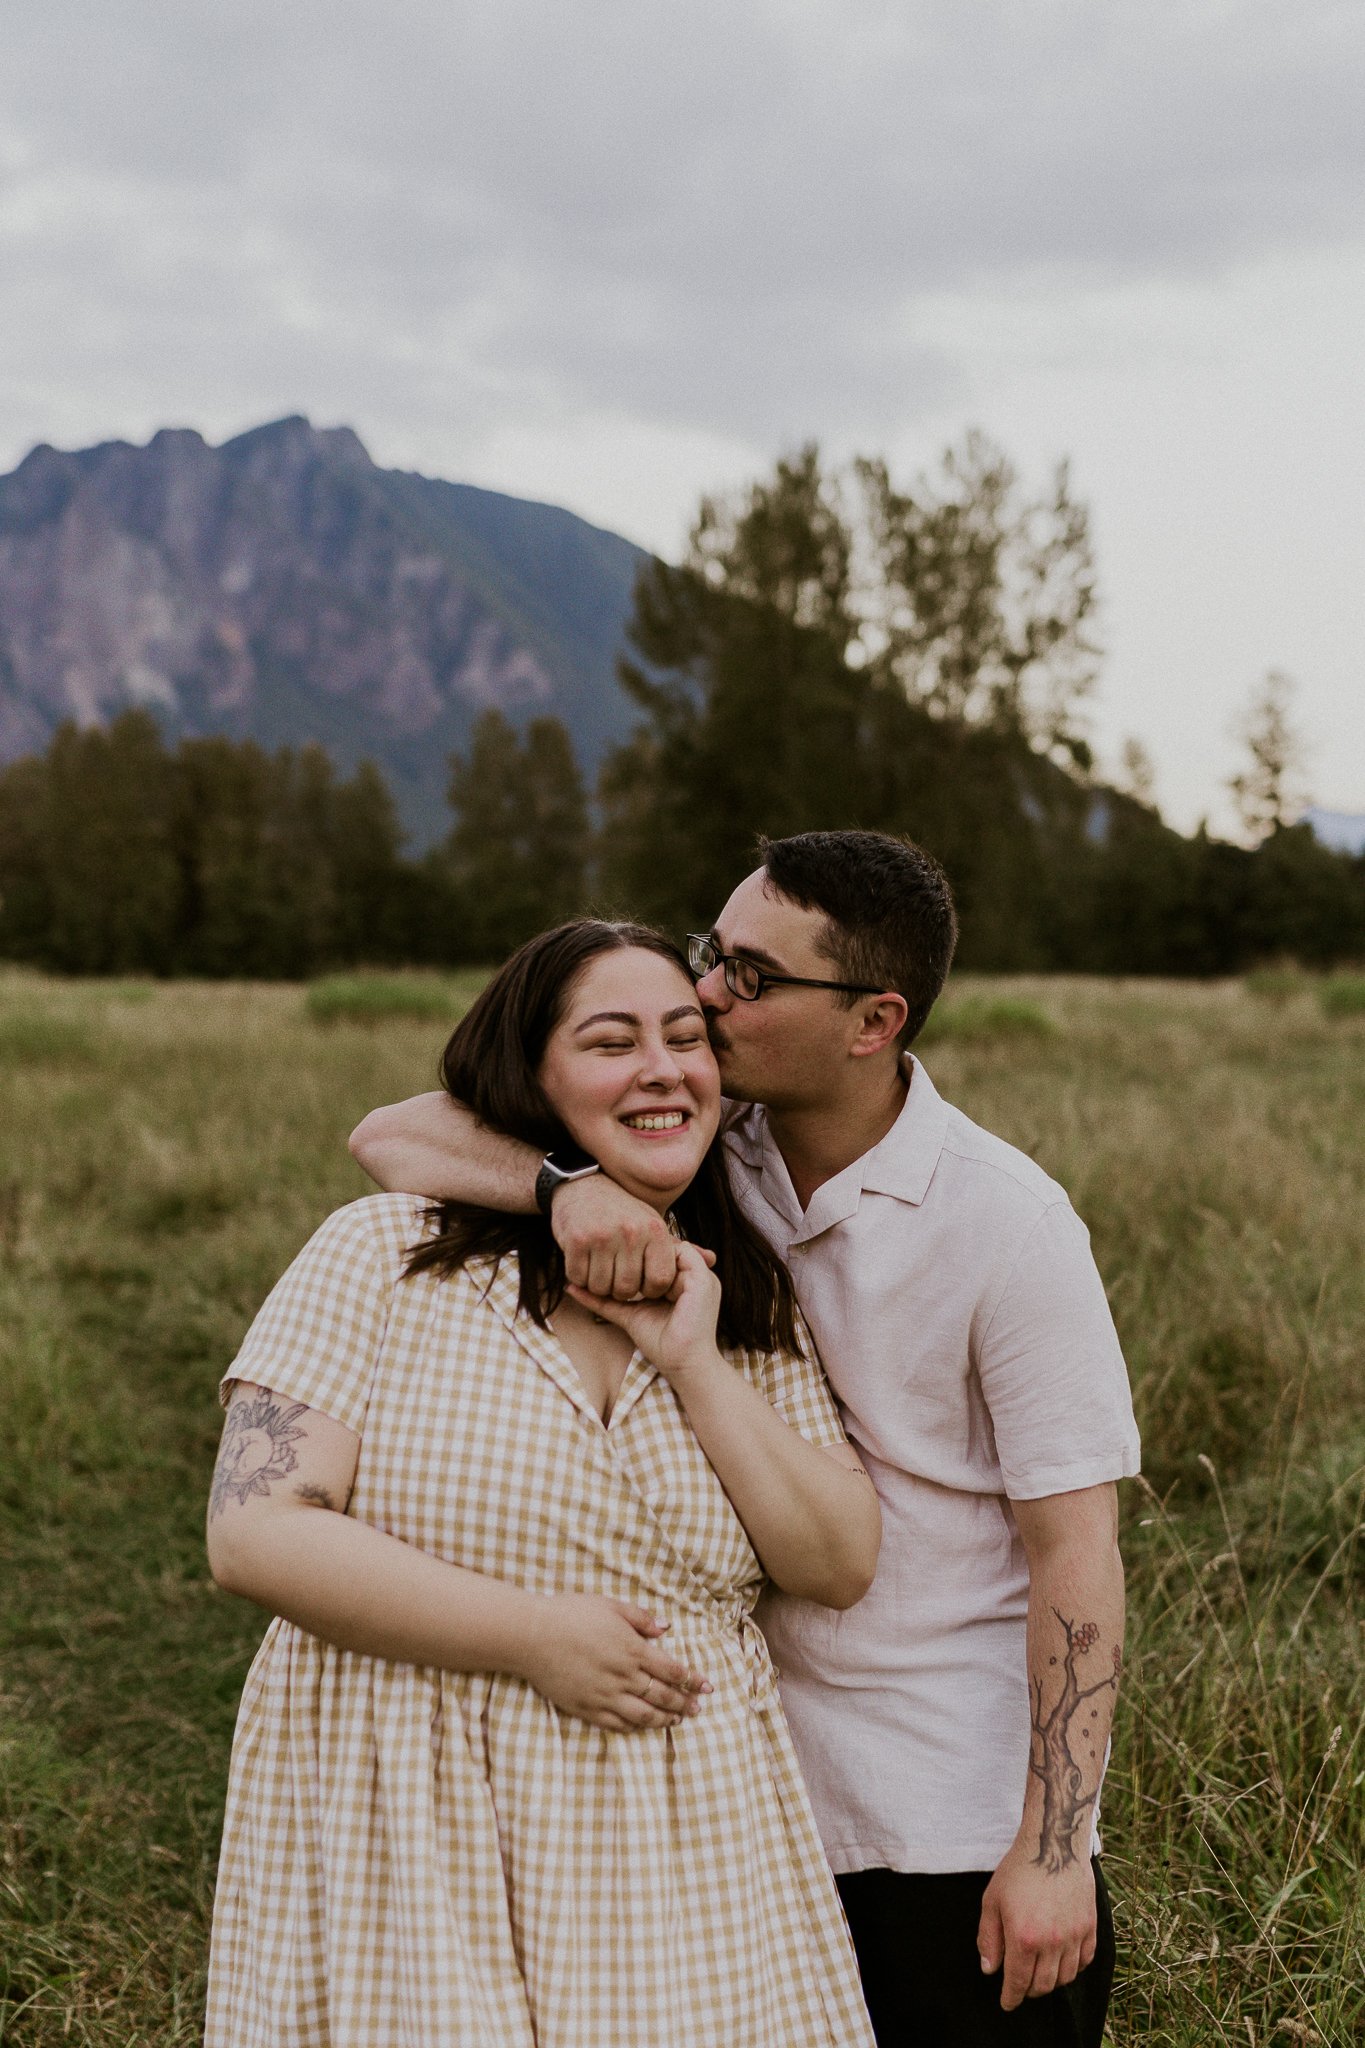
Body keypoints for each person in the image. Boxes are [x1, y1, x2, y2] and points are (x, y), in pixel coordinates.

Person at [352, 830, 1141, 2048]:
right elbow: (393, 1133)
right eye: (709, 951)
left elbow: (1078, 1557)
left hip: (949, 1832)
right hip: (745, 1804)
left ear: (874, 1020)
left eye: (751, 977)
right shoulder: (715, 1145)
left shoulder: (1010, 1223)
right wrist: (569, 1184)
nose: (706, 995)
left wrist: (1050, 1853)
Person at [205, 919, 881, 2048]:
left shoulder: (744, 1294)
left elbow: (837, 1560)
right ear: (533, 1077)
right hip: (411, 1816)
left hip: (681, 1849)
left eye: (685, 1036)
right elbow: (255, 1529)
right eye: (611, 1041)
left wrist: (695, 1364)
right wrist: (531, 1634)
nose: (663, 1067)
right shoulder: (384, 1251)